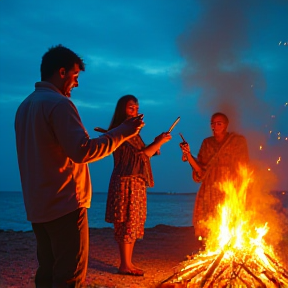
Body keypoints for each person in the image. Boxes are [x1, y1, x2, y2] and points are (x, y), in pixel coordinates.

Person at [14, 45, 144, 288]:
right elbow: (83, 151)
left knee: (47, 272)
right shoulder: (59, 104)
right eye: (75, 76)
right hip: (65, 205)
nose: (77, 83)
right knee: (68, 276)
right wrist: (122, 132)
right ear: (61, 72)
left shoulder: (24, 106)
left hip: (38, 206)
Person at [105, 95, 172, 276]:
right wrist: (159, 142)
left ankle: (128, 262)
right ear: (122, 110)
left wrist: (156, 141)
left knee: (133, 221)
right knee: (127, 220)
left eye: (136, 108)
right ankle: (124, 264)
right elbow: (140, 157)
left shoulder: (133, 133)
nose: (134, 111)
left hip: (135, 181)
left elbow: (142, 153)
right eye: (130, 108)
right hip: (126, 181)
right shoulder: (122, 130)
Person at [179, 112, 249, 247]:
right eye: (212, 123)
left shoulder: (237, 141)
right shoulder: (207, 143)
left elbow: (244, 166)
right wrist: (188, 155)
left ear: (226, 125)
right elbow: (200, 170)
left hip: (230, 187)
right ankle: (209, 250)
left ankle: (230, 249)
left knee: (230, 219)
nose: (214, 126)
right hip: (210, 188)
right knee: (207, 221)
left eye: (219, 123)